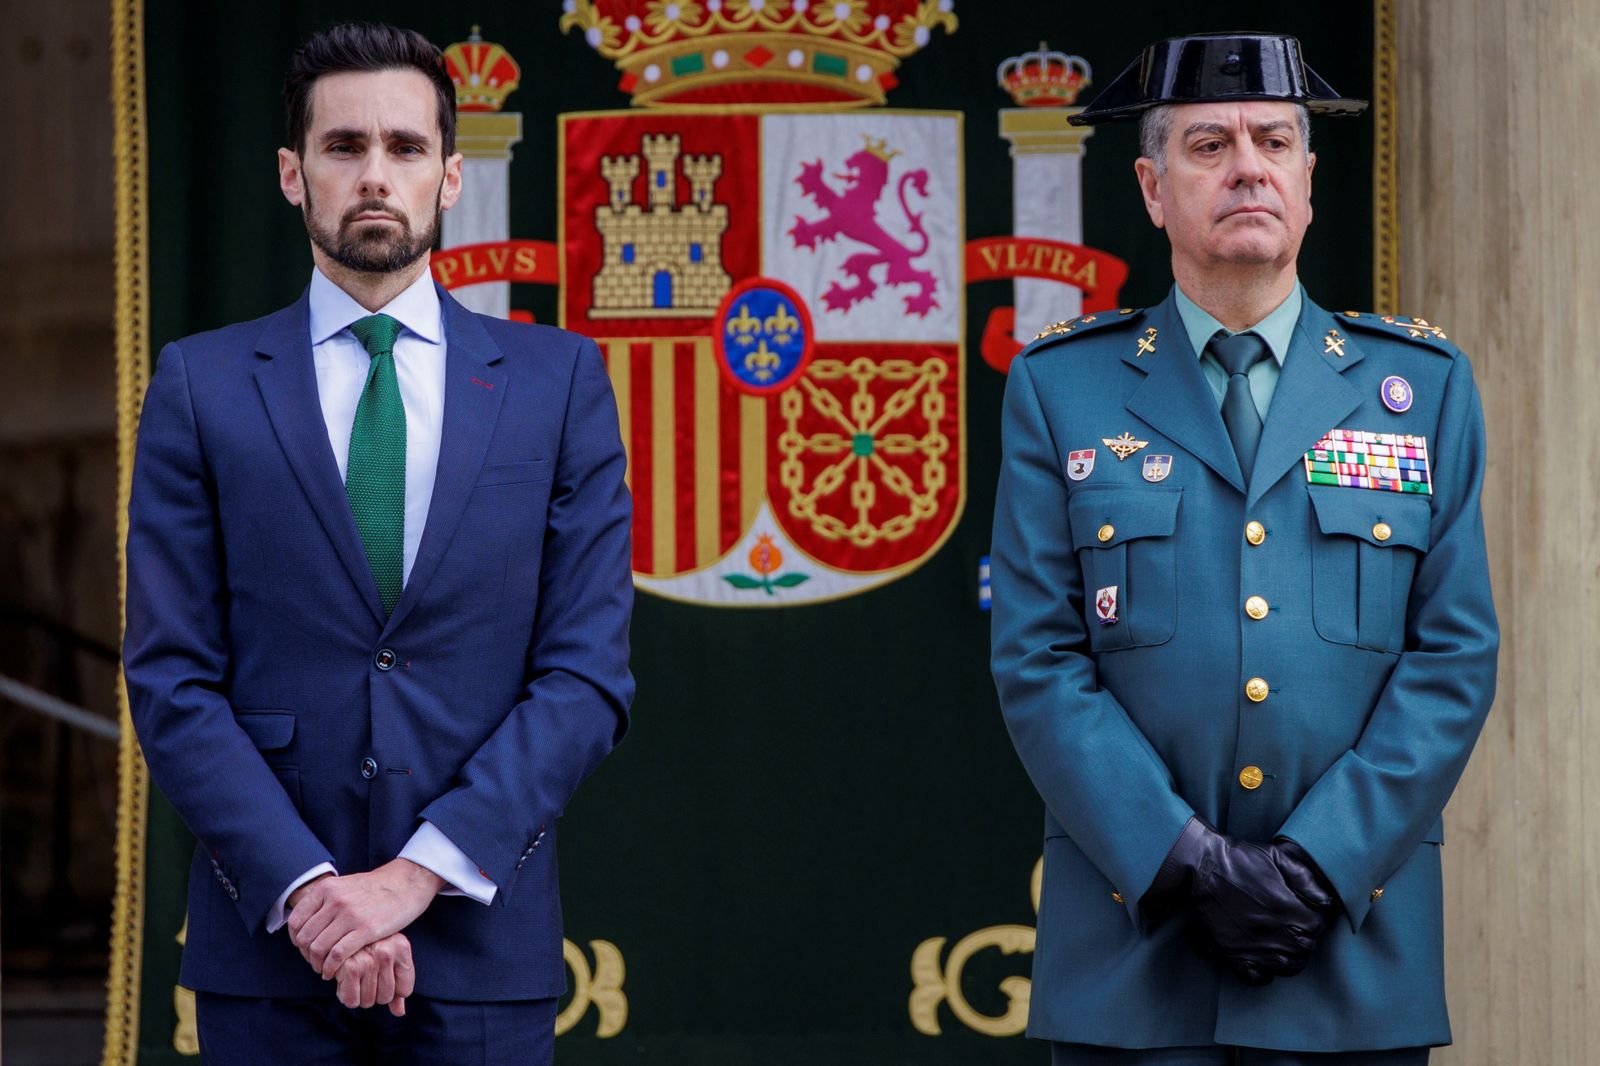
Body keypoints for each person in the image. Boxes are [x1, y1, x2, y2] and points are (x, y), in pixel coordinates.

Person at [122, 22, 633, 1064]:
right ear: (290, 172)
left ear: (450, 177)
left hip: (480, 944)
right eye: (342, 146)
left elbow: (585, 675)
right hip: (269, 952)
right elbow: (172, 674)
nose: (372, 175)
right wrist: (312, 895)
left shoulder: (559, 383)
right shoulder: (199, 383)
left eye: (404, 149)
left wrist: (409, 883)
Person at [989, 32, 1497, 1065]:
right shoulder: (1061, 389)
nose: (1247, 167)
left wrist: (1318, 862)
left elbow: (1452, 659)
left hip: (1349, 949)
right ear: (1151, 187)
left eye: (1274, 140)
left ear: (1309, 179)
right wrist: (1182, 861)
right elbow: (1036, 659)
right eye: (1208, 144)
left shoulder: (1424, 388)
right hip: (1136, 953)